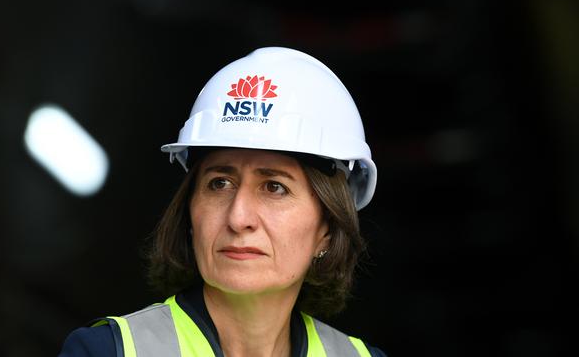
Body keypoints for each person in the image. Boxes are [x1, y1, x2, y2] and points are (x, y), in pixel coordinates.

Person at [58, 46, 385, 357]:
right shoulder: (107, 351)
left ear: (326, 229)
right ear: (189, 212)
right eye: (220, 183)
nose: (238, 217)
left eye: (274, 187)